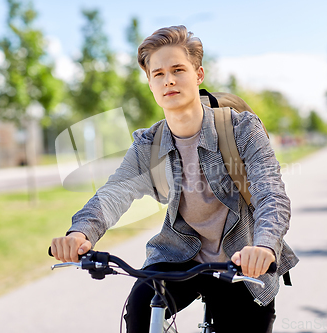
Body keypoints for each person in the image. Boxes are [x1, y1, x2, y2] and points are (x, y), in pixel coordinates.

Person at [50, 25, 299, 333]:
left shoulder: (242, 129)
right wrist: (80, 233)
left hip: (243, 260)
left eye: (178, 69)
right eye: (158, 74)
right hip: (178, 255)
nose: (168, 79)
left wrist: (263, 247)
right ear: (150, 83)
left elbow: (271, 195)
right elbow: (114, 192)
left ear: (198, 74)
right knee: (141, 310)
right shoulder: (149, 144)